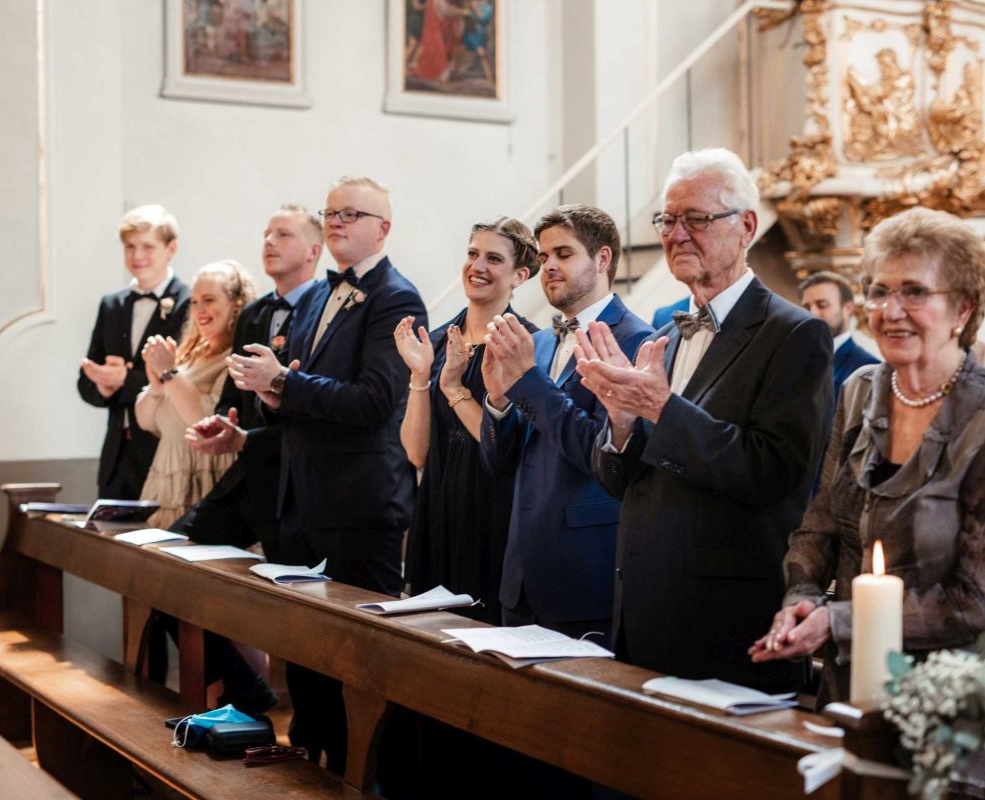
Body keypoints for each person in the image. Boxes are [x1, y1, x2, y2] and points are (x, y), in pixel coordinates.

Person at [752, 208, 985, 797]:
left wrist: (835, 620)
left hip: (951, 704)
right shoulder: (859, 391)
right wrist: (802, 599)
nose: (890, 310)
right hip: (853, 684)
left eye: (915, 292)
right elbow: (821, 524)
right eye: (879, 291)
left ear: (962, 308)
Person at [579, 148, 833, 692]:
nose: (677, 234)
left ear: (746, 227)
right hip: (642, 606)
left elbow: (774, 472)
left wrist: (661, 409)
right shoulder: (663, 333)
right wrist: (621, 424)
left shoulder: (794, 335)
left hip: (724, 619)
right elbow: (624, 483)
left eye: (696, 218)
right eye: (668, 220)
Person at [200, 176, 427, 774]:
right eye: (331, 213)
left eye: (352, 213)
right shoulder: (318, 298)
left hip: (361, 505)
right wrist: (259, 419)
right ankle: (308, 765)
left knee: (359, 659)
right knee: (303, 648)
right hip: (301, 500)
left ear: (383, 227)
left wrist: (281, 383)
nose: (337, 222)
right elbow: (306, 402)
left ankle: (363, 776)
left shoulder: (397, 299)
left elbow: (376, 402)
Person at [480, 204, 653, 640]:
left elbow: (600, 454)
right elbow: (502, 465)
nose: (549, 267)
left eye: (563, 254)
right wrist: (498, 404)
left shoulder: (639, 342)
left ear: (603, 259)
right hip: (520, 574)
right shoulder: (537, 342)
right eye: (543, 257)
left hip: (585, 574)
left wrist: (528, 381)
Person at [396, 217, 538, 622]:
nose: (478, 266)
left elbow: (504, 447)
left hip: (491, 516)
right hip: (436, 512)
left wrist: (453, 387)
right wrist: (421, 377)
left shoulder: (524, 344)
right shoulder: (437, 339)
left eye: (494, 258)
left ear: (519, 275)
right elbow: (417, 453)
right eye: (473, 254)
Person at [177, 205, 321, 560]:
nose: (269, 241)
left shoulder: (324, 311)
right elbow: (233, 392)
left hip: (297, 481)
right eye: (267, 235)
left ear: (314, 251)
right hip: (248, 475)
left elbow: (314, 401)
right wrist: (224, 421)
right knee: (175, 551)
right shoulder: (255, 313)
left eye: (283, 234)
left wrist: (249, 438)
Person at [136, 260, 257, 529]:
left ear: (236, 305)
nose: (199, 310)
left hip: (205, 478)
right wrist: (157, 385)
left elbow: (206, 420)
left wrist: (168, 372)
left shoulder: (238, 357)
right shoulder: (191, 354)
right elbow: (148, 422)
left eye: (209, 300)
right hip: (168, 478)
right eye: (194, 301)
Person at [78, 205, 189, 500]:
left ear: (171, 248)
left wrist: (125, 379)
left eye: (148, 246)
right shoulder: (111, 305)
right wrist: (101, 383)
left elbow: (185, 384)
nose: (137, 256)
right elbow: (84, 385)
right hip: (116, 455)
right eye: (130, 247)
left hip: (163, 452)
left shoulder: (189, 304)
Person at [799, 270, 879, 394]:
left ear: (848, 308)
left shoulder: (867, 368)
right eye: (807, 307)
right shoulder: (795, 360)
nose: (812, 314)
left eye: (822, 305)